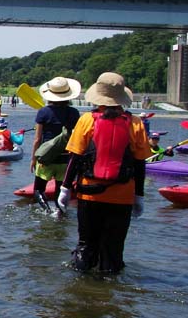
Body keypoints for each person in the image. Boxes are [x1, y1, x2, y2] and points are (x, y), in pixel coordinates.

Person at [57, 72, 153, 274]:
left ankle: (81, 287)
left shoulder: (86, 120)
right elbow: (140, 164)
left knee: (86, 244)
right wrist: (139, 196)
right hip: (122, 197)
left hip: (89, 194)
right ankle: (109, 291)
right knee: (114, 249)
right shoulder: (136, 123)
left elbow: (74, 158)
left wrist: (65, 189)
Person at [29, 76, 82, 211]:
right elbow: (77, 137)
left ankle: (47, 211)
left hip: (46, 157)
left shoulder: (43, 112)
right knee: (60, 191)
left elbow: (37, 139)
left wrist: (33, 159)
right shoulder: (74, 113)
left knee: (39, 190)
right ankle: (60, 213)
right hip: (65, 158)